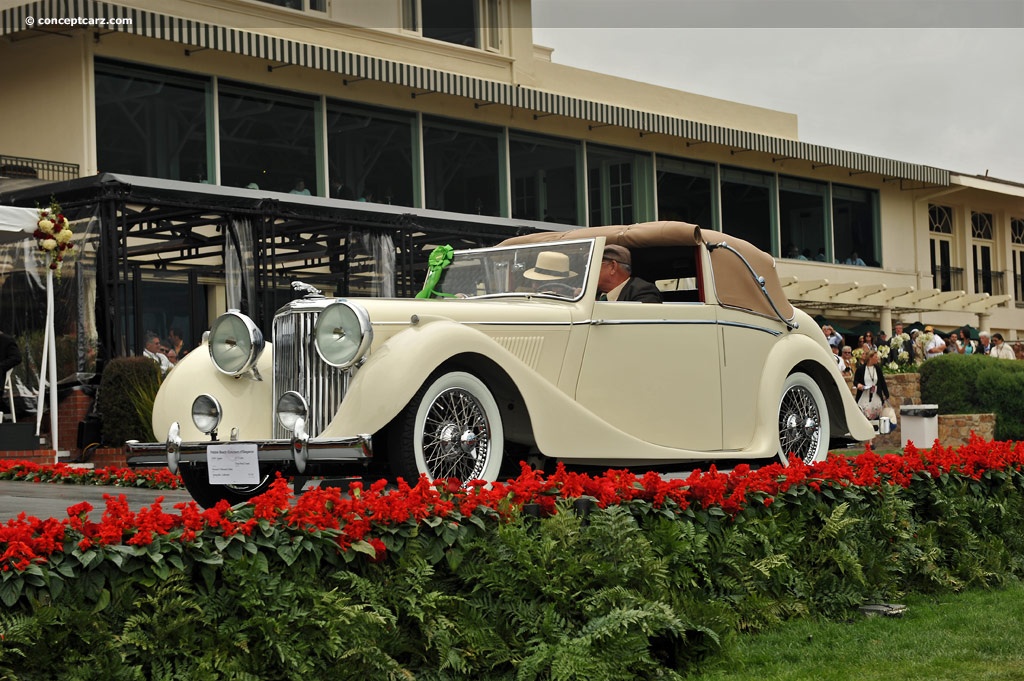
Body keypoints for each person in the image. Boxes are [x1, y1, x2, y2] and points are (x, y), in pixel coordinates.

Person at [596, 244, 662, 303]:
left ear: (613, 267)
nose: (589, 272)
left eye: (593, 265)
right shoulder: (593, 294)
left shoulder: (643, 292)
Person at [854, 348, 890, 420]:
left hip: (875, 395)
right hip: (864, 395)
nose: (877, 359)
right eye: (875, 357)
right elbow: (855, 381)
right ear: (870, 358)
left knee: (876, 416)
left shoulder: (877, 369)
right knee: (864, 415)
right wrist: (858, 385)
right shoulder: (861, 369)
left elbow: (882, 382)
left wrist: (886, 394)